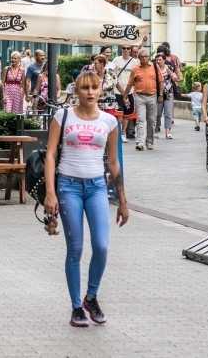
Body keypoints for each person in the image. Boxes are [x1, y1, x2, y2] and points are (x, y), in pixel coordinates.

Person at [43, 71, 129, 328]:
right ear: (76, 91)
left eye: (94, 88)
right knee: (76, 249)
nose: (90, 92)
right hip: (68, 185)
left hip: (96, 187)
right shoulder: (63, 116)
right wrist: (51, 192)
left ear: (101, 90)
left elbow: (113, 162)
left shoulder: (109, 121)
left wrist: (123, 200)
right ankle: (75, 306)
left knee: (101, 246)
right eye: (85, 88)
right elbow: (50, 155)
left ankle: (91, 297)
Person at [123, 49, 163, 151]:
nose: (144, 58)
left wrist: (160, 95)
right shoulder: (135, 69)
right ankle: (140, 142)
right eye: (142, 57)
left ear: (148, 57)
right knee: (140, 119)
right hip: (140, 96)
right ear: (139, 58)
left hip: (153, 96)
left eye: (146, 56)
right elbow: (130, 84)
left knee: (151, 120)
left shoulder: (154, 67)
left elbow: (161, 81)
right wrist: (125, 95)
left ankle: (149, 142)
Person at [114, 45, 139, 142]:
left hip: (130, 91)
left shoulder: (134, 62)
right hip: (118, 91)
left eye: (128, 48)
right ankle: (118, 132)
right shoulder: (116, 60)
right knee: (119, 113)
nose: (126, 50)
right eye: (124, 48)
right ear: (121, 49)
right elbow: (114, 76)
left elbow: (136, 78)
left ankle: (123, 133)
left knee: (127, 115)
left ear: (130, 50)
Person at [154, 52, 178, 139]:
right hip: (158, 94)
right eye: (157, 60)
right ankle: (156, 130)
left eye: (160, 60)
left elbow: (176, 79)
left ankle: (168, 132)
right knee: (157, 113)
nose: (158, 61)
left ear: (164, 60)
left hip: (168, 93)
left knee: (168, 113)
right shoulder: (154, 69)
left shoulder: (169, 68)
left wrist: (170, 73)